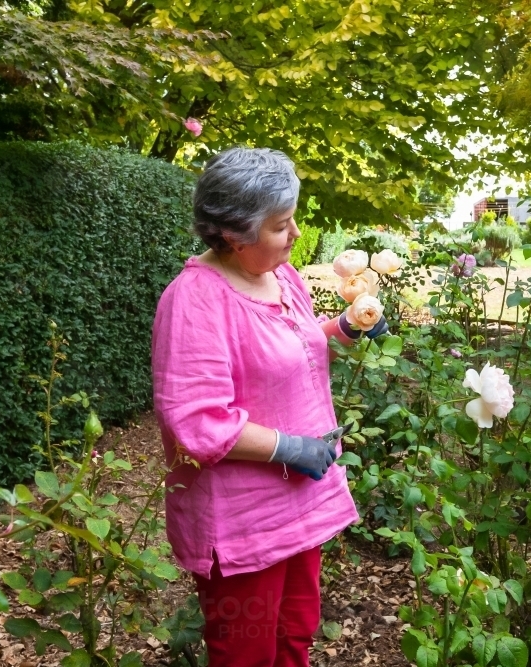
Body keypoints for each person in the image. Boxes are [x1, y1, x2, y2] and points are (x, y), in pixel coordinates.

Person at [151, 147, 386, 666]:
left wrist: (345, 329)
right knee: (248, 654)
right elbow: (195, 421)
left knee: (293, 637)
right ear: (235, 235)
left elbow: (292, 349)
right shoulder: (194, 301)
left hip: (299, 505)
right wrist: (289, 447)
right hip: (243, 524)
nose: (297, 234)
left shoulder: (282, 278)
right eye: (282, 225)